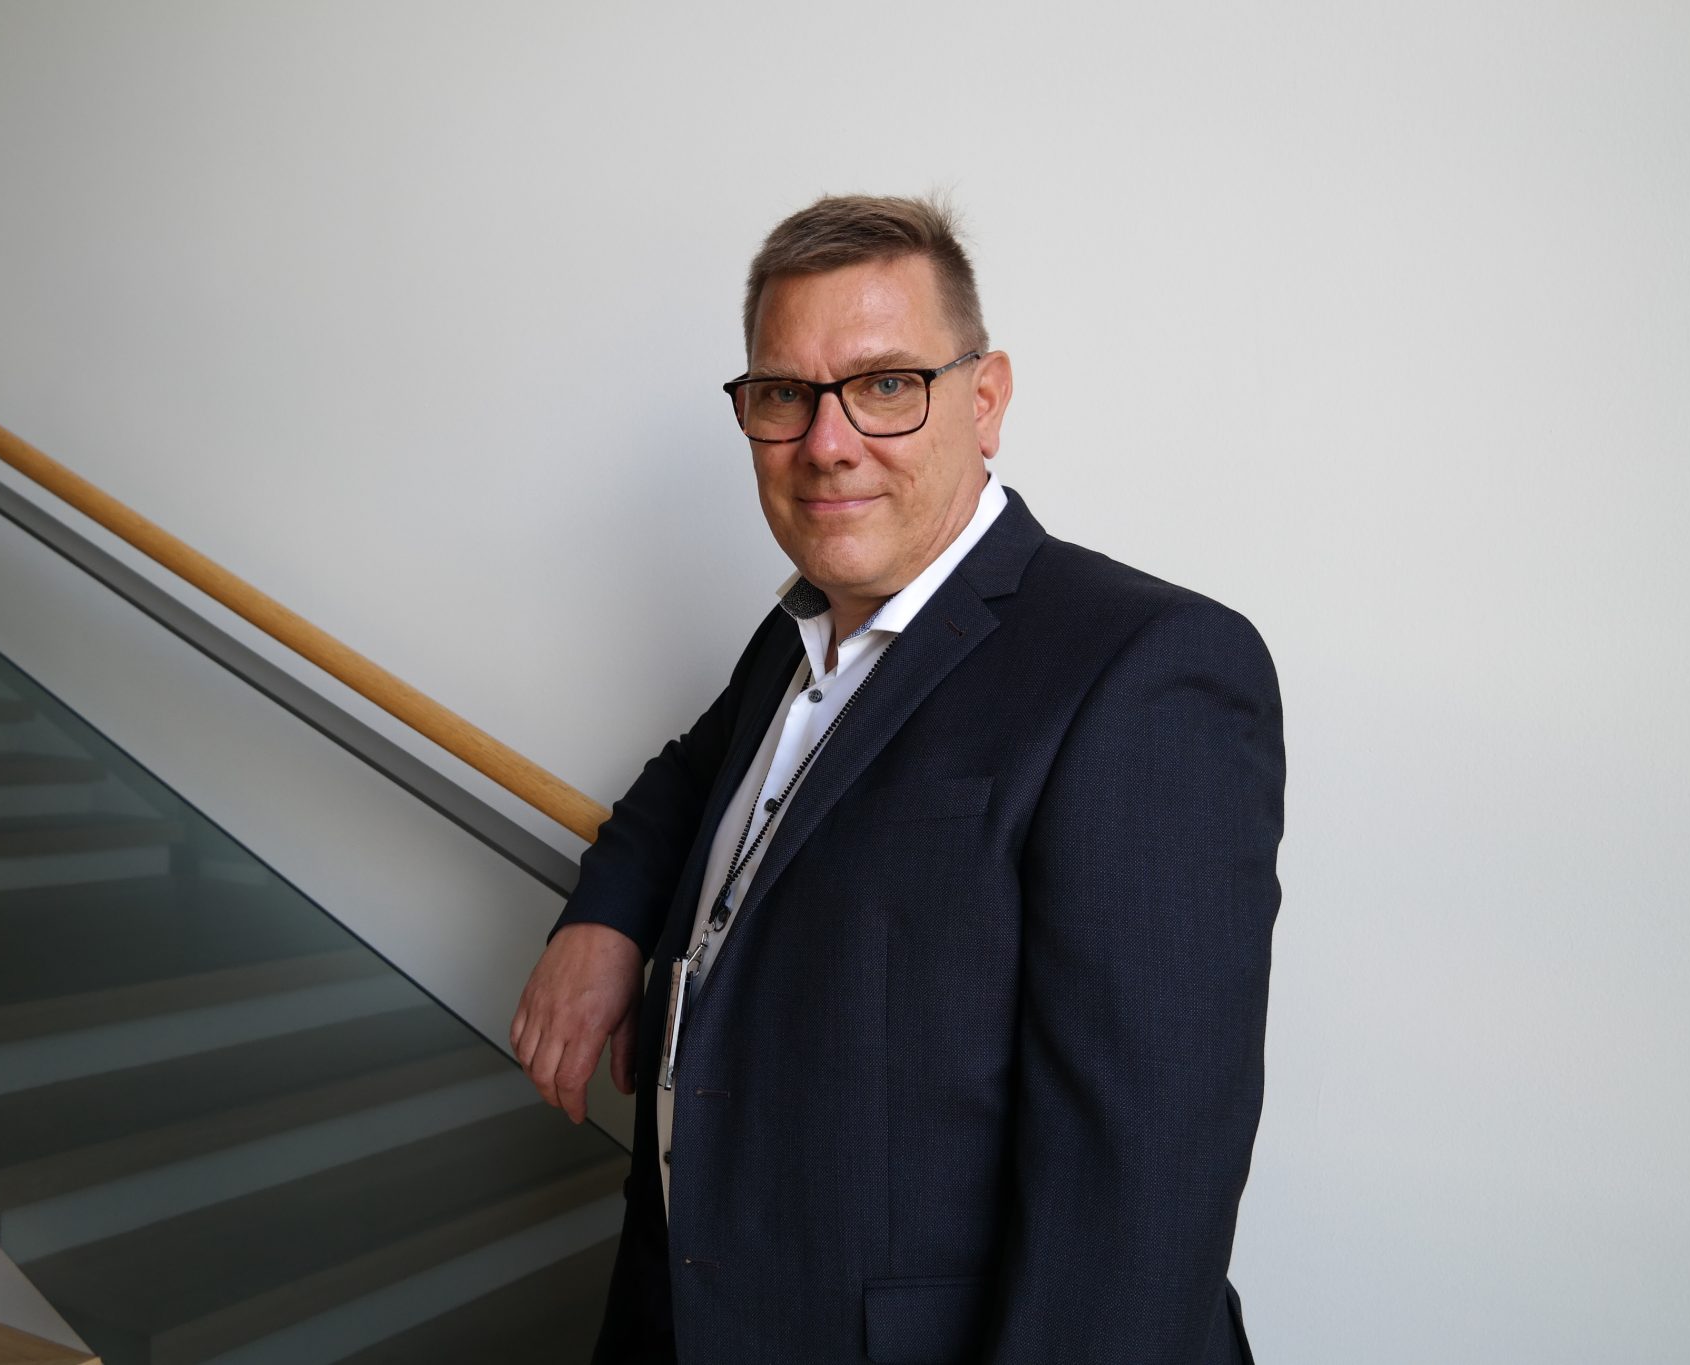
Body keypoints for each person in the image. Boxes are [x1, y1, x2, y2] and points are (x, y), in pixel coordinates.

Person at [512, 194, 1285, 1364]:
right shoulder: (799, 635)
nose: (826, 444)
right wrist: (604, 917)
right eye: (784, 394)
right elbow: (688, 780)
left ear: (984, 401)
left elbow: (1135, 1198)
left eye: (884, 385)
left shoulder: (1144, 668)